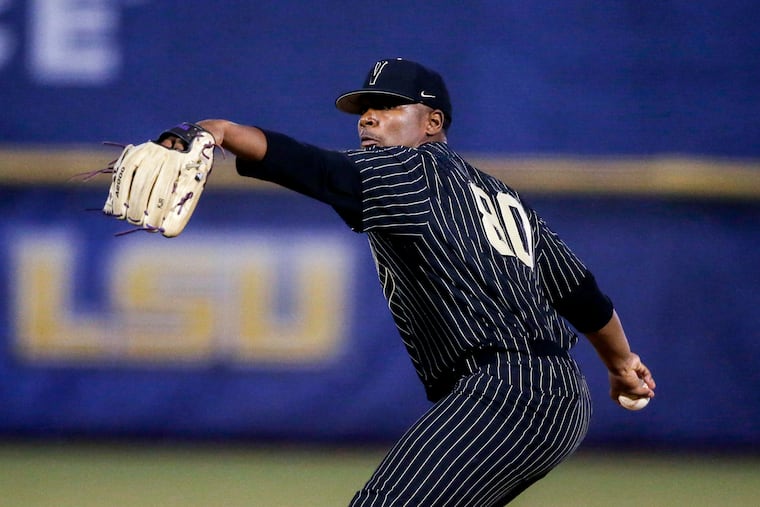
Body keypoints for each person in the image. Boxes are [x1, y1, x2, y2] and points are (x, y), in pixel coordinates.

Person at [166, 57, 656, 506]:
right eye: (364, 110)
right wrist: (621, 362)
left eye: (387, 106)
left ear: (433, 122)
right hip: (555, 398)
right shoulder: (498, 194)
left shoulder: (411, 170)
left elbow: (316, 169)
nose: (368, 118)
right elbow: (580, 293)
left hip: (507, 391)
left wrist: (223, 131)